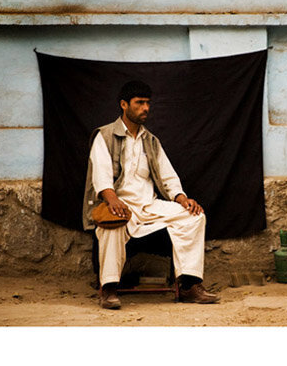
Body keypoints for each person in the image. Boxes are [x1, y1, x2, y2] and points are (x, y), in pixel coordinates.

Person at [83, 80, 220, 308]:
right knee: (112, 224)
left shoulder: (151, 141)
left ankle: (189, 285)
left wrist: (182, 198)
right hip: (119, 204)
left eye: (148, 103)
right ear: (124, 105)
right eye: (139, 103)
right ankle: (108, 289)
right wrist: (113, 199)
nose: (145, 108)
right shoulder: (104, 136)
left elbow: (168, 177)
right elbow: (101, 176)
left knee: (194, 216)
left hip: (149, 206)